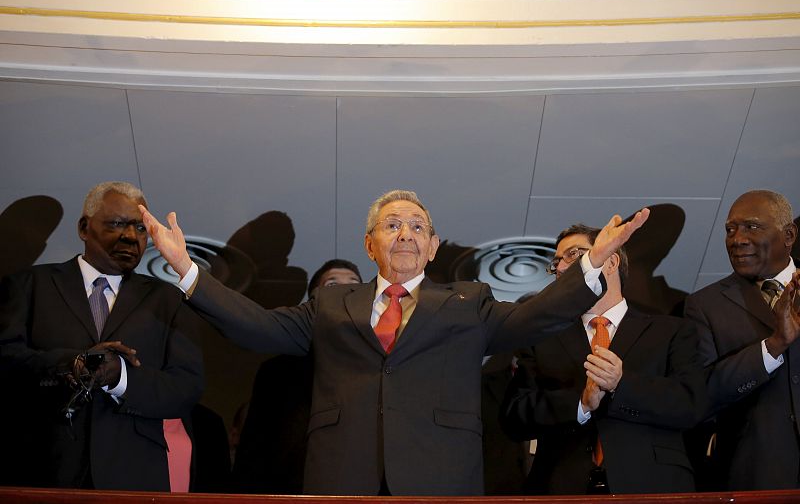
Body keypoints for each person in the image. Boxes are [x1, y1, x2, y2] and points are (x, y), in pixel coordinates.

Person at [140, 189, 649, 495]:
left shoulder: (468, 301)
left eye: (417, 226)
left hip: (439, 483)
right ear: (370, 244)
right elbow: (255, 325)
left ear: (432, 246)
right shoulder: (332, 305)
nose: (404, 233)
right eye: (391, 224)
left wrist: (589, 267)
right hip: (342, 481)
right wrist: (187, 271)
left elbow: (534, 316)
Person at [0, 182, 204, 491]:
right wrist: (72, 363)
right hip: (45, 471)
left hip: (136, 476)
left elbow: (186, 388)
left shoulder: (168, 301)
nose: (130, 236)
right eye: (117, 224)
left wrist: (120, 376)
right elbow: (6, 363)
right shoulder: (29, 286)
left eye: (140, 228)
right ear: (84, 227)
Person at [500, 223, 705, 494]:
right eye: (556, 262)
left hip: (652, 488)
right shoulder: (540, 337)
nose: (561, 268)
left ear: (610, 261)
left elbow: (691, 405)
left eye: (574, 255)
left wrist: (623, 384)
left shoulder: (672, 331)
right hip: (561, 489)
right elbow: (514, 417)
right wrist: (580, 404)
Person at [684, 189, 800, 490]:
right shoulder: (705, 305)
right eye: (730, 230)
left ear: (788, 235)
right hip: (754, 476)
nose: (737, 239)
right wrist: (773, 346)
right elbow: (702, 395)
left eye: (752, 226)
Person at [233, 259, 362, 494]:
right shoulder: (278, 371)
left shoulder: (381, 365)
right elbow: (254, 448)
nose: (345, 290)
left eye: (354, 284)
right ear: (314, 300)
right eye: (332, 284)